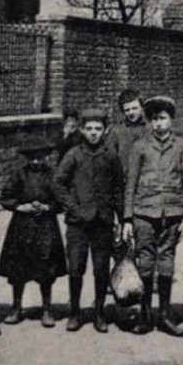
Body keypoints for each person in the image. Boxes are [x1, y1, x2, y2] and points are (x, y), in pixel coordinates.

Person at [123, 94, 183, 336]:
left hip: (172, 212)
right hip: (144, 211)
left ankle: (164, 315)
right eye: (153, 119)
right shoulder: (139, 147)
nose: (158, 124)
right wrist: (127, 218)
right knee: (145, 261)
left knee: (167, 260)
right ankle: (145, 315)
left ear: (171, 120)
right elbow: (130, 183)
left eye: (163, 118)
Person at [53, 108, 124, 332]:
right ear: (82, 130)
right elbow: (58, 183)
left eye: (98, 129)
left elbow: (118, 188)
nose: (94, 133)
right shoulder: (74, 154)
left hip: (103, 221)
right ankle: (74, 313)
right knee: (76, 267)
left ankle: (99, 314)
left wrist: (122, 219)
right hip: (78, 224)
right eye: (89, 129)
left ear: (105, 130)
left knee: (101, 269)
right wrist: (72, 208)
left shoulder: (111, 154)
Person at [0, 141, 67, 327]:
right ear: (27, 159)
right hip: (22, 226)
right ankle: (16, 308)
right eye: (32, 157)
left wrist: (47, 207)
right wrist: (20, 206)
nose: (36, 161)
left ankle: (47, 309)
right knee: (18, 270)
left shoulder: (53, 175)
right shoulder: (19, 174)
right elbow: (5, 196)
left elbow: (61, 199)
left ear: (46, 157)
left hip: (46, 226)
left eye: (40, 157)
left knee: (46, 270)